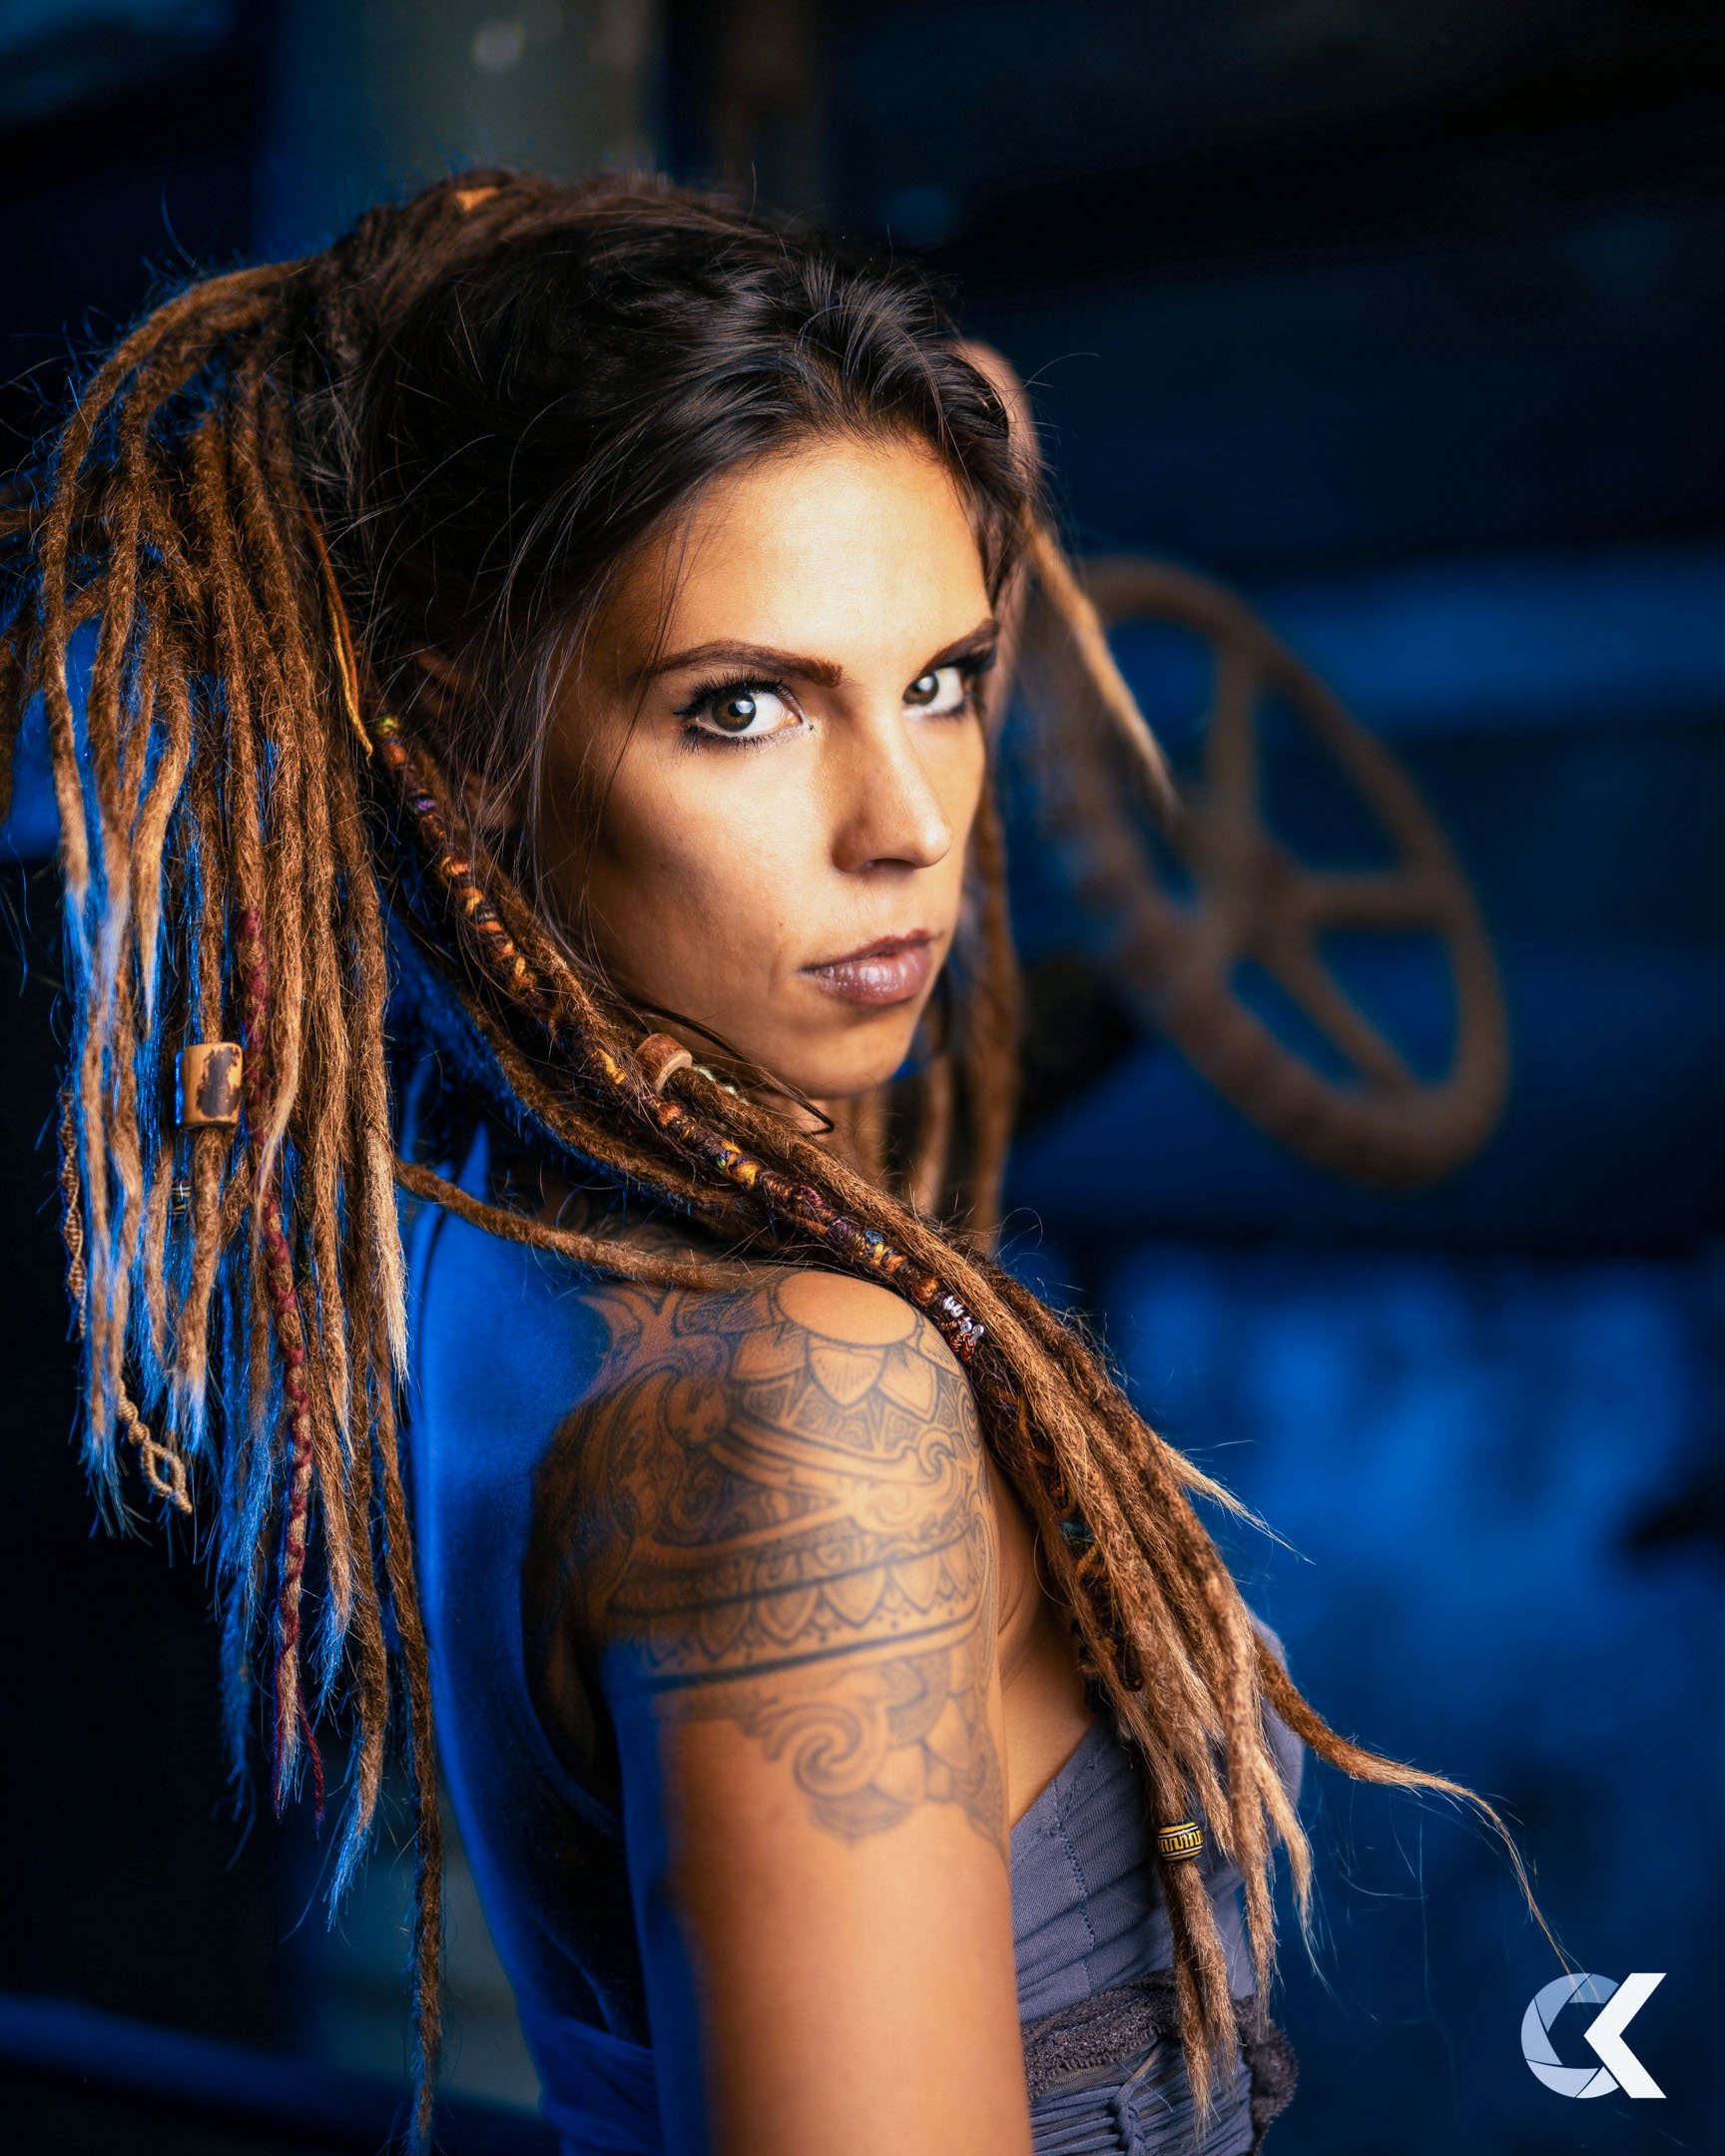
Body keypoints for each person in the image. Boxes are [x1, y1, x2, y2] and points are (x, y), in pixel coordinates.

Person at [1, 169, 1555, 2156]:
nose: (908, 825)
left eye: (946, 682)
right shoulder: (804, 1421)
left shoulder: (493, 1225)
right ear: (455, 746)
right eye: (742, 709)